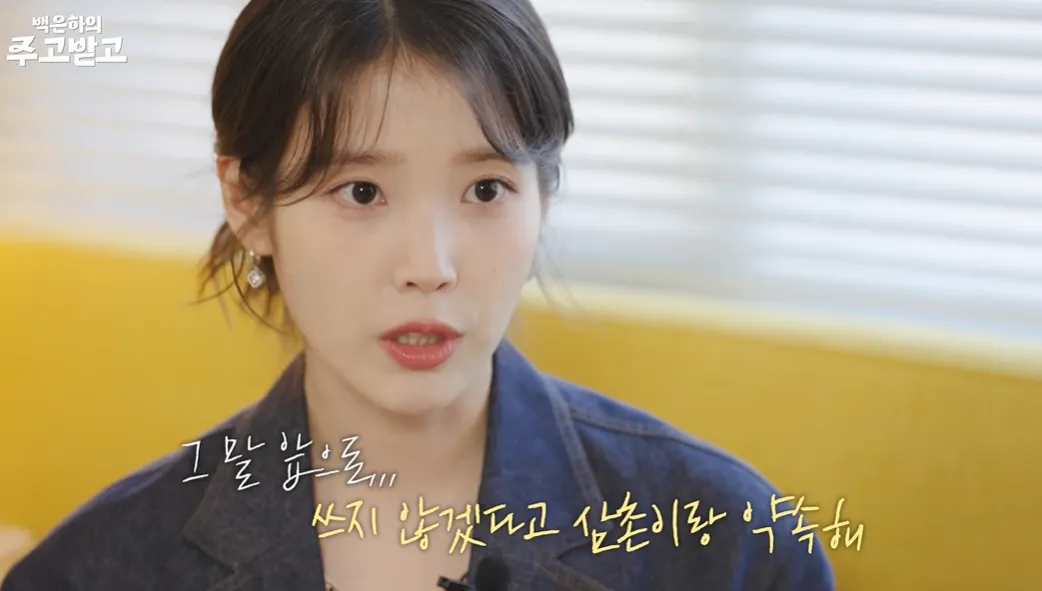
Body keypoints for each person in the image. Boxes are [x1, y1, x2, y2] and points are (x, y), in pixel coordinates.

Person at [2, 0, 835, 589]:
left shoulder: (734, 548)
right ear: (247, 201)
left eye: (485, 190)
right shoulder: (100, 568)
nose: (429, 266)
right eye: (361, 191)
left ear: (544, 194)